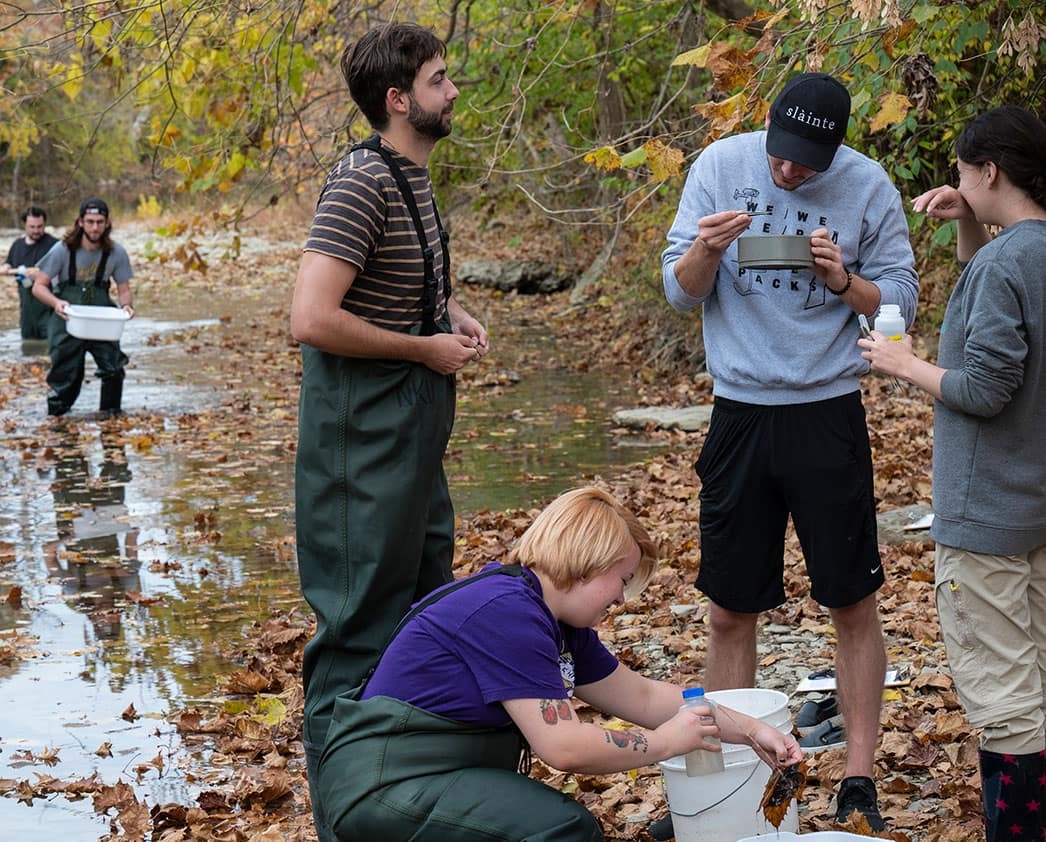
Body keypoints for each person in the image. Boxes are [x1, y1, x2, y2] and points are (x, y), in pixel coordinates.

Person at [660, 72, 919, 831]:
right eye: (780, 156)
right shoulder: (719, 164)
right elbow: (679, 292)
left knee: (850, 599)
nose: (787, 172)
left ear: (835, 149)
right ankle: (729, 778)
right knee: (730, 611)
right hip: (739, 411)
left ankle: (860, 778)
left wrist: (844, 279)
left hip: (827, 411)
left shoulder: (868, 186)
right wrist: (706, 253)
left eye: (806, 165)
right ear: (766, 125)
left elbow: (904, 297)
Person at [316, 487, 804, 841]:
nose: (622, 598)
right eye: (622, 578)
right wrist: (664, 743)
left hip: (425, 777)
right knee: (562, 830)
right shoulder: (507, 613)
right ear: (588, 560)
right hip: (383, 786)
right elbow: (564, 746)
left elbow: (646, 697)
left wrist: (751, 730)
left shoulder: (555, 621)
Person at [288, 22, 489, 841]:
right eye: (440, 80)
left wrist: (449, 313)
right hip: (358, 439)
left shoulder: (413, 178)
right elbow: (311, 318)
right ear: (400, 100)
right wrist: (422, 347)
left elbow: (394, 288)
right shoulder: (361, 184)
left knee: (421, 605)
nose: (452, 91)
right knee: (356, 627)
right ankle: (345, 816)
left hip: (411, 434)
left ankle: (401, 794)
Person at [860, 105, 1046, 842]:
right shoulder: (1021, 255)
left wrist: (906, 365)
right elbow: (999, 294)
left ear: (988, 170)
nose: (961, 181)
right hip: (1035, 507)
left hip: (989, 512)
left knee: (1007, 698)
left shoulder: (1007, 265)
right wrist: (970, 222)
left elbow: (988, 385)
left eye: (965, 172)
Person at [24, 198, 135, 418]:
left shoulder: (117, 253)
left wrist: (127, 306)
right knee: (66, 377)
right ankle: (58, 422)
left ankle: (110, 418)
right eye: (90, 221)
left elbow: (124, 289)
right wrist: (56, 303)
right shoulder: (62, 250)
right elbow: (39, 287)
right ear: (81, 222)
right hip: (67, 319)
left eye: (100, 222)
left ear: (107, 223)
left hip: (101, 321)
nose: (95, 227)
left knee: (113, 369)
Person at [3, 206, 58, 340]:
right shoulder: (17, 245)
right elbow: (9, 263)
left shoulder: (55, 246)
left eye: (40, 227)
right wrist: (5, 267)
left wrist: (41, 276)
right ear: (25, 225)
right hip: (27, 311)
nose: (36, 231)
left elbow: (63, 274)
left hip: (48, 310)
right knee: (28, 346)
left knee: (50, 344)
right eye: (32, 227)